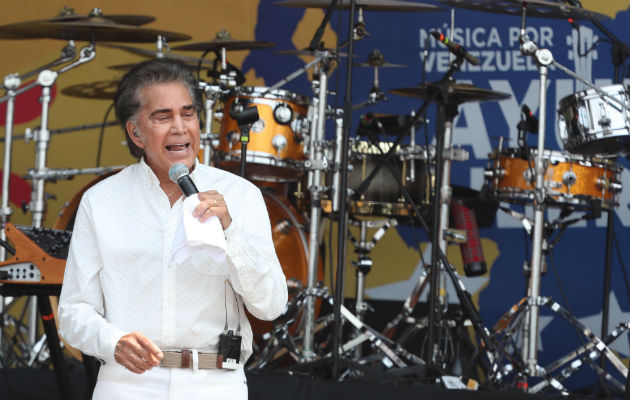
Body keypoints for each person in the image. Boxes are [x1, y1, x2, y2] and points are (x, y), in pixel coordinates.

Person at [58, 58, 288, 399]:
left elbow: (270, 306)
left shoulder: (240, 196)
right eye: (162, 117)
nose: (180, 127)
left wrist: (229, 231)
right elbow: (74, 311)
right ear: (135, 132)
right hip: (126, 382)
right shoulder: (101, 201)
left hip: (216, 382)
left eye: (188, 113)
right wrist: (113, 342)